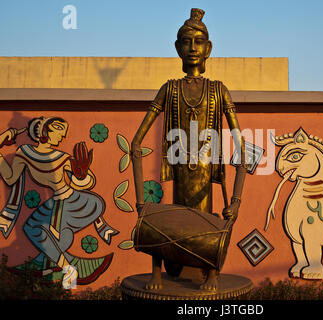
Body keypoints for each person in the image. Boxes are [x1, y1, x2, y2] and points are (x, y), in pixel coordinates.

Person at [131, 8, 247, 291]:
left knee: (207, 226)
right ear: (177, 48)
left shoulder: (218, 90)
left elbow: (242, 152)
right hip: (180, 177)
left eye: (198, 41)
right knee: (165, 219)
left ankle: (211, 274)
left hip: (206, 181)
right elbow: (135, 145)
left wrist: (235, 201)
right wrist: (139, 202)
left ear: (208, 48)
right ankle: (157, 272)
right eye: (186, 41)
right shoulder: (169, 90)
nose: (192, 48)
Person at [0, 116, 117, 285]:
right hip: (55, 204)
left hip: (72, 201)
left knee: (41, 231)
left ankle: (61, 269)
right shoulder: (24, 153)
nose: (63, 138)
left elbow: (86, 182)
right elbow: (10, 179)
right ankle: (63, 271)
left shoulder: (62, 157)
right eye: (59, 133)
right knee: (42, 232)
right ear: (46, 131)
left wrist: (82, 174)